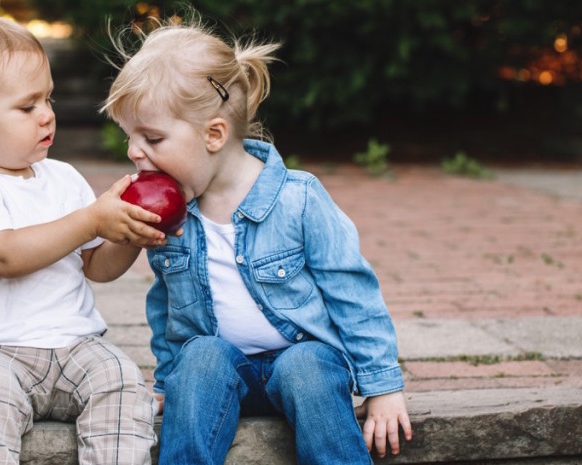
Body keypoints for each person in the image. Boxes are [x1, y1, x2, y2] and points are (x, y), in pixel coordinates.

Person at [101, 16, 413, 465]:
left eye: (151, 137)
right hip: (224, 372)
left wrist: (383, 386)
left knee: (307, 365)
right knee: (200, 357)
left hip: (303, 368)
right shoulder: (174, 215)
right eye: (129, 137)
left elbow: (353, 293)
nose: (133, 151)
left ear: (214, 134)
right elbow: (167, 308)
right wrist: (173, 382)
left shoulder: (298, 199)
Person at [0, 5, 168, 464]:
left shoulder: (61, 178)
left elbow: (94, 267)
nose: (46, 116)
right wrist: (91, 220)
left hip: (74, 345)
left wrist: (126, 235)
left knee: (120, 379)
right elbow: (3, 256)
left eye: (48, 100)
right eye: (27, 106)